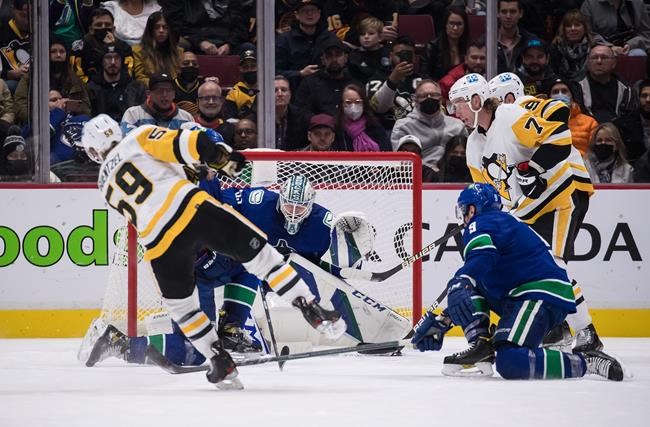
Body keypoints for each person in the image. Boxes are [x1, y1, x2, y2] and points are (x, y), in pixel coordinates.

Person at [79, 114, 346, 387]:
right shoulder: (138, 137)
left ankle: (220, 354)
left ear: (92, 151)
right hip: (190, 212)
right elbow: (191, 143)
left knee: (185, 310)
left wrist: (192, 171)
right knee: (260, 256)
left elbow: (149, 197)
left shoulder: (103, 184)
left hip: (160, 247)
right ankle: (310, 307)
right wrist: (224, 160)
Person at [449, 72, 603, 356]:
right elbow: (489, 196)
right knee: (522, 270)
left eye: (457, 104)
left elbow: (559, 136)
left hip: (556, 198)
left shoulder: (510, 116)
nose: (454, 112)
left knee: (552, 265)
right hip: (524, 210)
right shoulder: (473, 145)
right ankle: (554, 328)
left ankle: (587, 333)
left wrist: (534, 169)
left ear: (476, 100)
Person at [410, 183, 625, 381]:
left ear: (472, 210)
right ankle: (481, 345)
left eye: (463, 210)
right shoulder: (501, 221)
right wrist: (443, 319)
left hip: (538, 292)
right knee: (470, 285)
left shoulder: (482, 223)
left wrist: (460, 280)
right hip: (529, 293)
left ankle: (585, 361)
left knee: (511, 361)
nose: (463, 217)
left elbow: (482, 257)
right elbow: (477, 281)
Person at [391, 79, 467, 169]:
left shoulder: (458, 126)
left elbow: (468, 156)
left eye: (434, 95)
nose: (429, 98)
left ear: (440, 99)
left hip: (453, 173)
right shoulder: (403, 126)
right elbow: (400, 163)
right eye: (424, 96)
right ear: (416, 100)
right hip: (418, 174)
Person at [275, 0, 340, 89]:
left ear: (319, 13)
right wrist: (300, 73)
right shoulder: (284, 40)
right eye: (305, 11)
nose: (310, 14)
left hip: (326, 88)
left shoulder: (330, 38)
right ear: (297, 15)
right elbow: (275, 72)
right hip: (295, 89)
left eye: (313, 10)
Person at [294, 37, 360, 118]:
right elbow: (300, 111)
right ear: (322, 60)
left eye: (338, 55)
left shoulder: (355, 85)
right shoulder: (309, 84)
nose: (334, 59)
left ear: (345, 58)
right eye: (329, 55)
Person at [158, 0, 251, 56]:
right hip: (193, 41)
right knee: (180, 46)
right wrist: (199, 42)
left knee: (248, 48)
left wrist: (230, 44)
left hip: (228, 42)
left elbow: (241, 24)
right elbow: (176, 23)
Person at [368, 36, 422, 131]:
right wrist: (393, 79)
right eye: (399, 54)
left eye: (408, 54)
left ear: (414, 57)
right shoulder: (377, 79)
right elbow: (378, 108)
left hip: (418, 128)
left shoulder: (423, 81)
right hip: (388, 128)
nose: (403, 58)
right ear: (391, 56)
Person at [70, 8, 134, 83]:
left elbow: (128, 74)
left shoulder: (124, 47)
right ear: (91, 29)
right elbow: (77, 77)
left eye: (107, 24)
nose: (103, 27)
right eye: (98, 25)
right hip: (89, 87)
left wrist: (113, 48)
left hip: (118, 86)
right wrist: (104, 50)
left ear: (113, 29)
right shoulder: (79, 48)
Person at [86, 43, 147, 122]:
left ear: (122, 61)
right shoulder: (92, 89)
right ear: (102, 61)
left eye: (117, 58)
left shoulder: (136, 88)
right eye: (108, 58)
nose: (113, 62)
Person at [576, 44, 635, 124]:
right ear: (588, 63)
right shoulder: (576, 87)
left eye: (604, 58)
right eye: (594, 57)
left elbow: (630, 120)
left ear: (614, 63)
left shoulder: (626, 90)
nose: (599, 61)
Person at [120, 72, 194, 133]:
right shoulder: (133, 114)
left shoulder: (186, 118)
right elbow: (127, 142)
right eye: (159, 91)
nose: (164, 95)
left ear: (174, 94)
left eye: (168, 90)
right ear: (149, 94)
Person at [547, 77, 598, 156]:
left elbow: (595, 153)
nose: (560, 95)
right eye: (555, 92)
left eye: (564, 91)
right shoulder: (541, 122)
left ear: (572, 96)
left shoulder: (590, 123)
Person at [549, 9, 604, 82]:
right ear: (564, 29)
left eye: (577, 25)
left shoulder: (595, 46)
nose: (573, 29)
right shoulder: (556, 48)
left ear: (585, 28)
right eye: (568, 26)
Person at [580, 0, 650, 56]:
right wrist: (609, 47)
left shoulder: (637, 3)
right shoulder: (590, 4)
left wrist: (631, 44)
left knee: (638, 54)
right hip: (600, 47)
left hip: (631, 47)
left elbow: (645, 33)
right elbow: (587, 33)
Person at [132, 11, 182, 87]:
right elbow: (139, 78)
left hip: (173, 89)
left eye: (165, 27)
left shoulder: (179, 52)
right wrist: (157, 84)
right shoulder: (138, 51)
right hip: (149, 89)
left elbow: (180, 76)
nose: (161, 30)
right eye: (157, 27)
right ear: (150, 30)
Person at [337, 83, 391, 152]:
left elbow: (387, 151)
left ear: (363, 104)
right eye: (348, 102)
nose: (353, 106)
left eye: (357, 102)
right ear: (342, 104)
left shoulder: (374, 126)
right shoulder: (338, 128)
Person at [422, 6, 470, 81]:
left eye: (459, 24)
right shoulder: (432, 47)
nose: (455, 28)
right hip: (438, 86)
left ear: (465, 26)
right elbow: (424, 76)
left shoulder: (470, 47)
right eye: (451, 23)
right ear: (445, 25)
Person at [347, 16, 391, 84]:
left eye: (371, 33)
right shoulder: (353, 57)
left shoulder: (388, 54)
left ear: (380, 37)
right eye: (362, 34)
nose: (366, 37)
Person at [496, 0, 536, 73]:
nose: (508, 16)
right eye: (504, 12)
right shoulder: (486, 42)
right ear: (498, 13)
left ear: (520, 13)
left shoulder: (531, 41)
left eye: (513, 12)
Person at [275, 75, 312, 150]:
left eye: (284, 90)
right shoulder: (258, 117)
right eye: (275, 90)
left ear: (290, 94)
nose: (280, 94)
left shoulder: (303, 117)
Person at [194, 78, 235, 146]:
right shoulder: (188, 128)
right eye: (206, 98)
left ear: (222, 101)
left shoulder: (231, 130)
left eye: (215, 98)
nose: (211, 102)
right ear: (197, 102)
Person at [0, 0, 30, 93]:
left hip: (34, 81)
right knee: (11, 85)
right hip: (9, 81)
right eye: (22, 15)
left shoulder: (41, 33)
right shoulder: (2, 30)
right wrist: (10, 74)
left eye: (30, 16)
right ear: (13, 10)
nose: (27, 21)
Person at [223, 49, 259, 121]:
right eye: (245, 67)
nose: (249, 70)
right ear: (240, 69)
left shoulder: (268, 89)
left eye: (253, 66)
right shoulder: (234, 93)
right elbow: (229, 120)